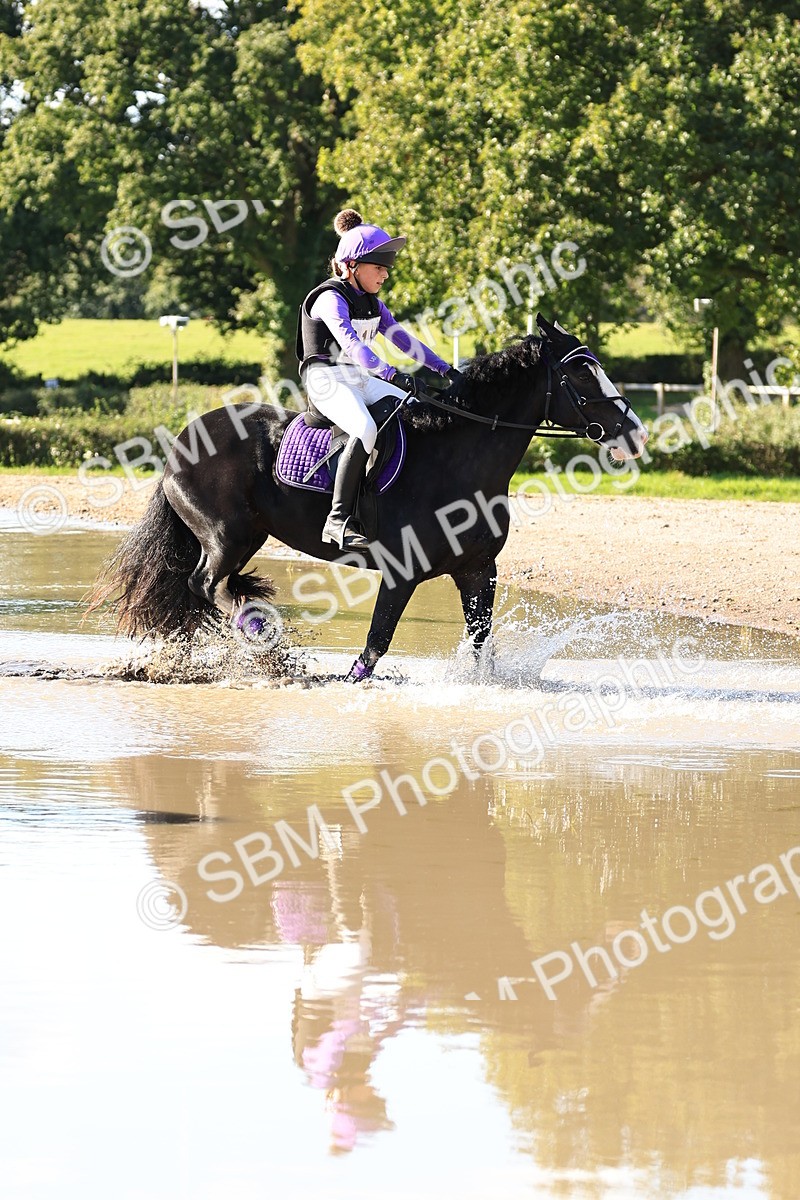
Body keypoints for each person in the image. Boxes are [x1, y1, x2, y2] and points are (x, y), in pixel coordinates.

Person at [296, 209, 462, 550]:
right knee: (365, 429)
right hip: (326, 380)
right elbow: (353, 346)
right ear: (352, 266)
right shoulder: (329, 298)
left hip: (358, 377)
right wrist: (392, 374)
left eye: (386, 267)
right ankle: (337, 520)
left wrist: (446, 370)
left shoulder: (373, 303)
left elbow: (404, 341)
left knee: (419, 409)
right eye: (379, 267)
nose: (385, 274)